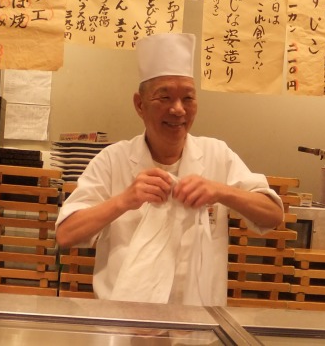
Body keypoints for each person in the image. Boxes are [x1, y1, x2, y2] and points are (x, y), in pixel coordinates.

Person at [55, 32, 284, 306]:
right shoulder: (113, 160)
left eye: (187, 98)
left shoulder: (217, 155)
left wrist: (220, 191)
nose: (178, 110)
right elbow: (66, 234)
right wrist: (124, 200)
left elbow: (272, 215)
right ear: (140, 105)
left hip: (199, 319)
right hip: (122, 317)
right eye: (164, 98)